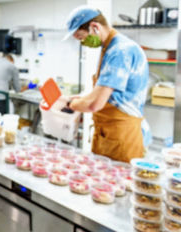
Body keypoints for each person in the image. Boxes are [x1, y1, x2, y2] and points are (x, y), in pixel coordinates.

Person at [60, 5, 151, 163]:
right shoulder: (109, 48)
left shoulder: (120, 51)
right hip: (109, 132)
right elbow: (104, 92)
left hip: (122, 135)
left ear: (94, 27)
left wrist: (71, 104)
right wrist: (80, 97)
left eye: (81, 38)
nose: (83, 43)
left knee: (119, 183)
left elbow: (95, 104)